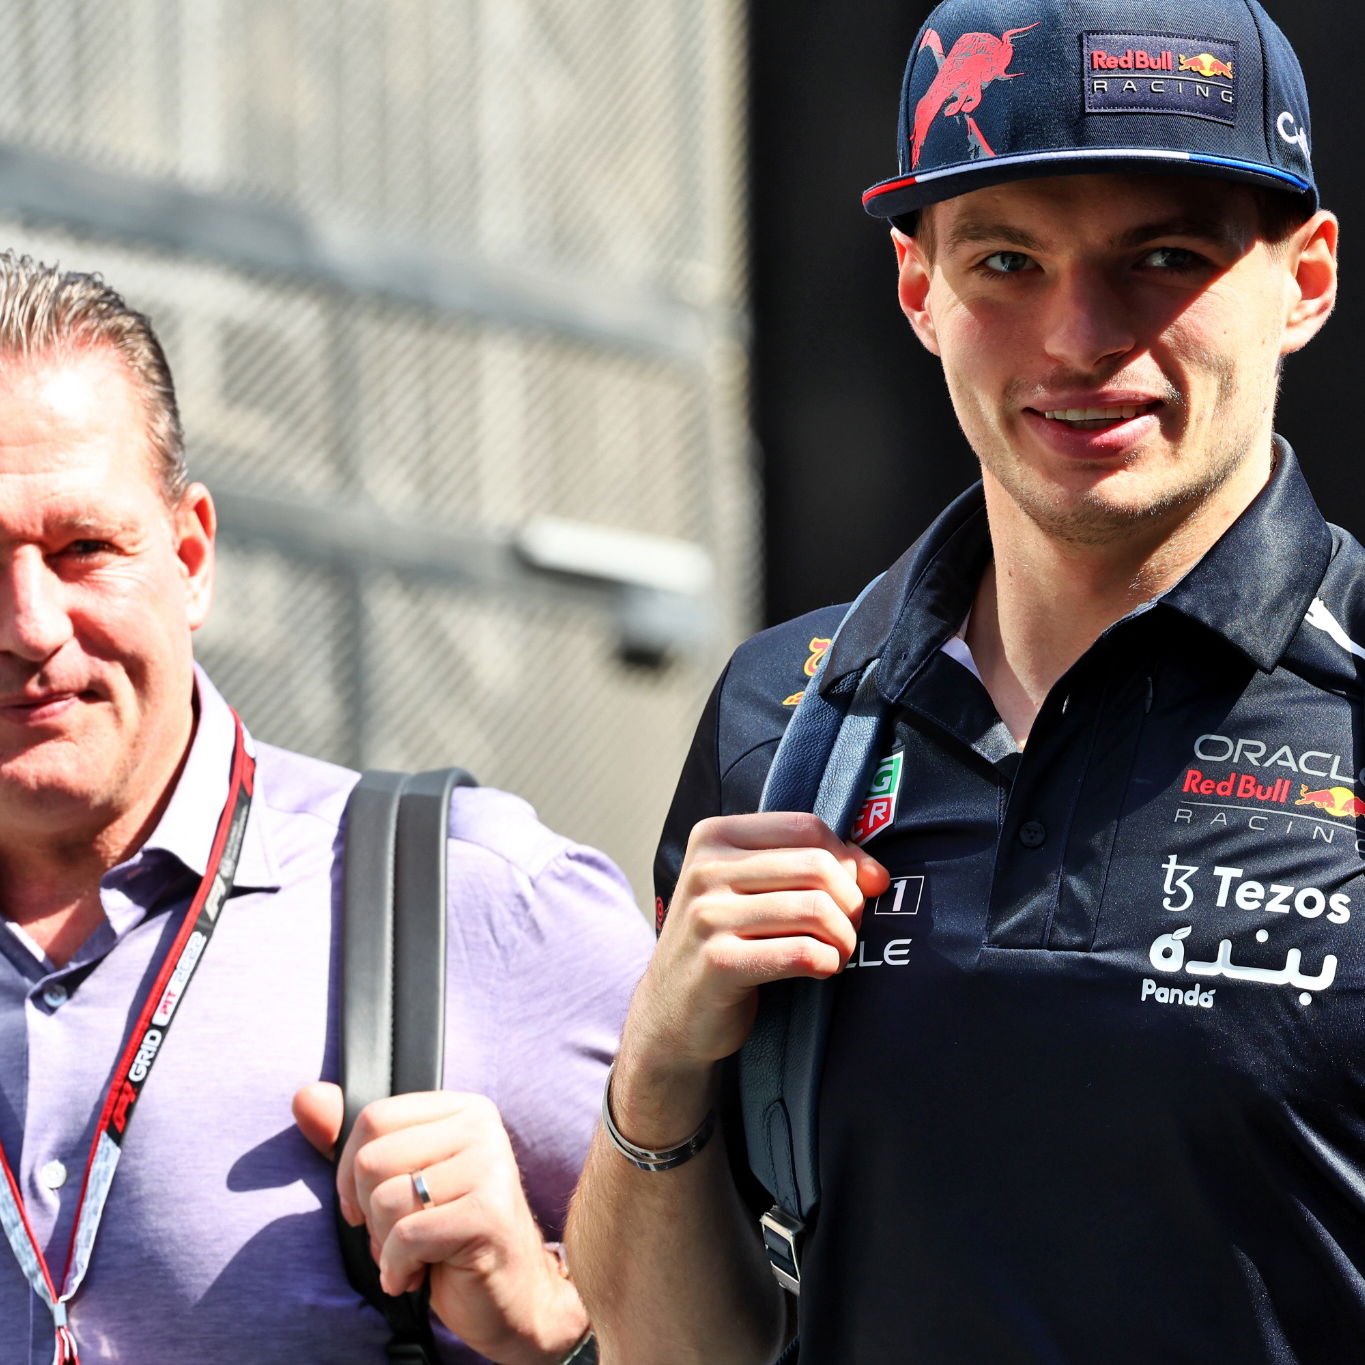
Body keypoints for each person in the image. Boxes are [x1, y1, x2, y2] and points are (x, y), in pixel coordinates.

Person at [565, 0, 1360, 1360]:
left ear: (1305, 280)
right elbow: (674, 1351)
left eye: (1160, 257)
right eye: (1005, 261)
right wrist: (659, 1062)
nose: (1076, 338)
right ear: (917, 289)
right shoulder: (787, 718)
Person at [0, 251, 654, 1364]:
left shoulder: (476, 904)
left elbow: (782, 1322)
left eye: (84, 550)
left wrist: (553, 1329)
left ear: (192, 556)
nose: (28, 625)